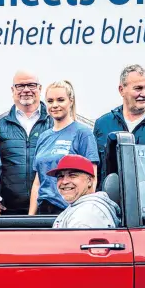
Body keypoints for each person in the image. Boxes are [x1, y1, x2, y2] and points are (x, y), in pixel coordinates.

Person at [29, 81, 99, 215]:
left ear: (71, 101)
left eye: (60, 100)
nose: (55, 105)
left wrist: (85, 213)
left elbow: (92, 178)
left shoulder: (83, 133)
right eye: (50, 101)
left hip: (70, 209)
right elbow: (37, 182)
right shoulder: (44, 137)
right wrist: (30, 217)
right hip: (44, 210)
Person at [0, 70, 52, 214]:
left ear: (40, 88)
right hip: (10, 210)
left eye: (31, 85)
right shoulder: (0, 124)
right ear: (12, 90)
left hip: (49, 209)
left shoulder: (54, 121)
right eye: (20, 86)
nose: (26, 90)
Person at [49, 155, 119, 229]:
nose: (64, 181)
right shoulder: (79, 206)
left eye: (72, 175)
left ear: (89, 181)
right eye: (60, 176)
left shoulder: (87, 212)